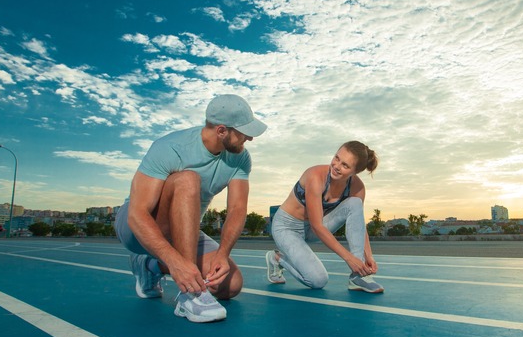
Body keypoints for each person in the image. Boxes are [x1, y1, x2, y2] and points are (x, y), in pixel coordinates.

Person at [115, 94, 266, 323]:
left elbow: (236, 209)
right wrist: (177, 264)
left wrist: (223, 255)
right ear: (222, 131)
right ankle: (190, 296)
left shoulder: (240, 158)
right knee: (188, 179)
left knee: (231, 284)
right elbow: (138, 215)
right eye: (243, 132)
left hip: (184, 229)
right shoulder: (171, 147)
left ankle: (149, 265)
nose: (250, 139)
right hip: (136, 227)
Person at [266, 141, 384, 293]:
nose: (336, 166)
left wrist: (368, 257)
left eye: (345, 165)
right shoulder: (315, 176)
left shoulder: (357, 187)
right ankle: (277, 258)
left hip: (313, 229)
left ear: (355, 172)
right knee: (318, 280)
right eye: (336, 158)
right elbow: (317, 225)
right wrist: (349, 258)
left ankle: (358, 277)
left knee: (355, 204)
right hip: (287, 228)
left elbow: (359, 224)